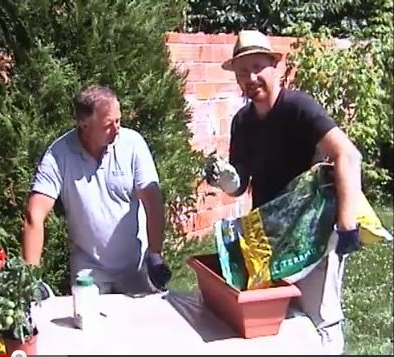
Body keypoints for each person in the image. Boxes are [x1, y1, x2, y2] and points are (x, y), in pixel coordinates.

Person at [205, 30, 362, 355]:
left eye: (258, 67)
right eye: (242, 71)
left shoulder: (299, 108)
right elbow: (240, 186)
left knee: (321, 317)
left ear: (275, 67)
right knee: (278, 317)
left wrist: (346, 226)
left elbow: (348, 155)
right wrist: (227, 180)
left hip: (313, 232)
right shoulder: (242, 122)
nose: (251, 77)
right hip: (270, 234)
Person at [21, 84, 171, 295]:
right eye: (109, 124)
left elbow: (152, 199)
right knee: (87, 326)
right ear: (84, 125)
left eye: (119, 120)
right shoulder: (59, 155)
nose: (117, 128)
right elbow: (34, 215)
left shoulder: (132, 144)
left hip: (135, 266)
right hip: (89, 272)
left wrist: (155, 256)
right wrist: (30, 279)